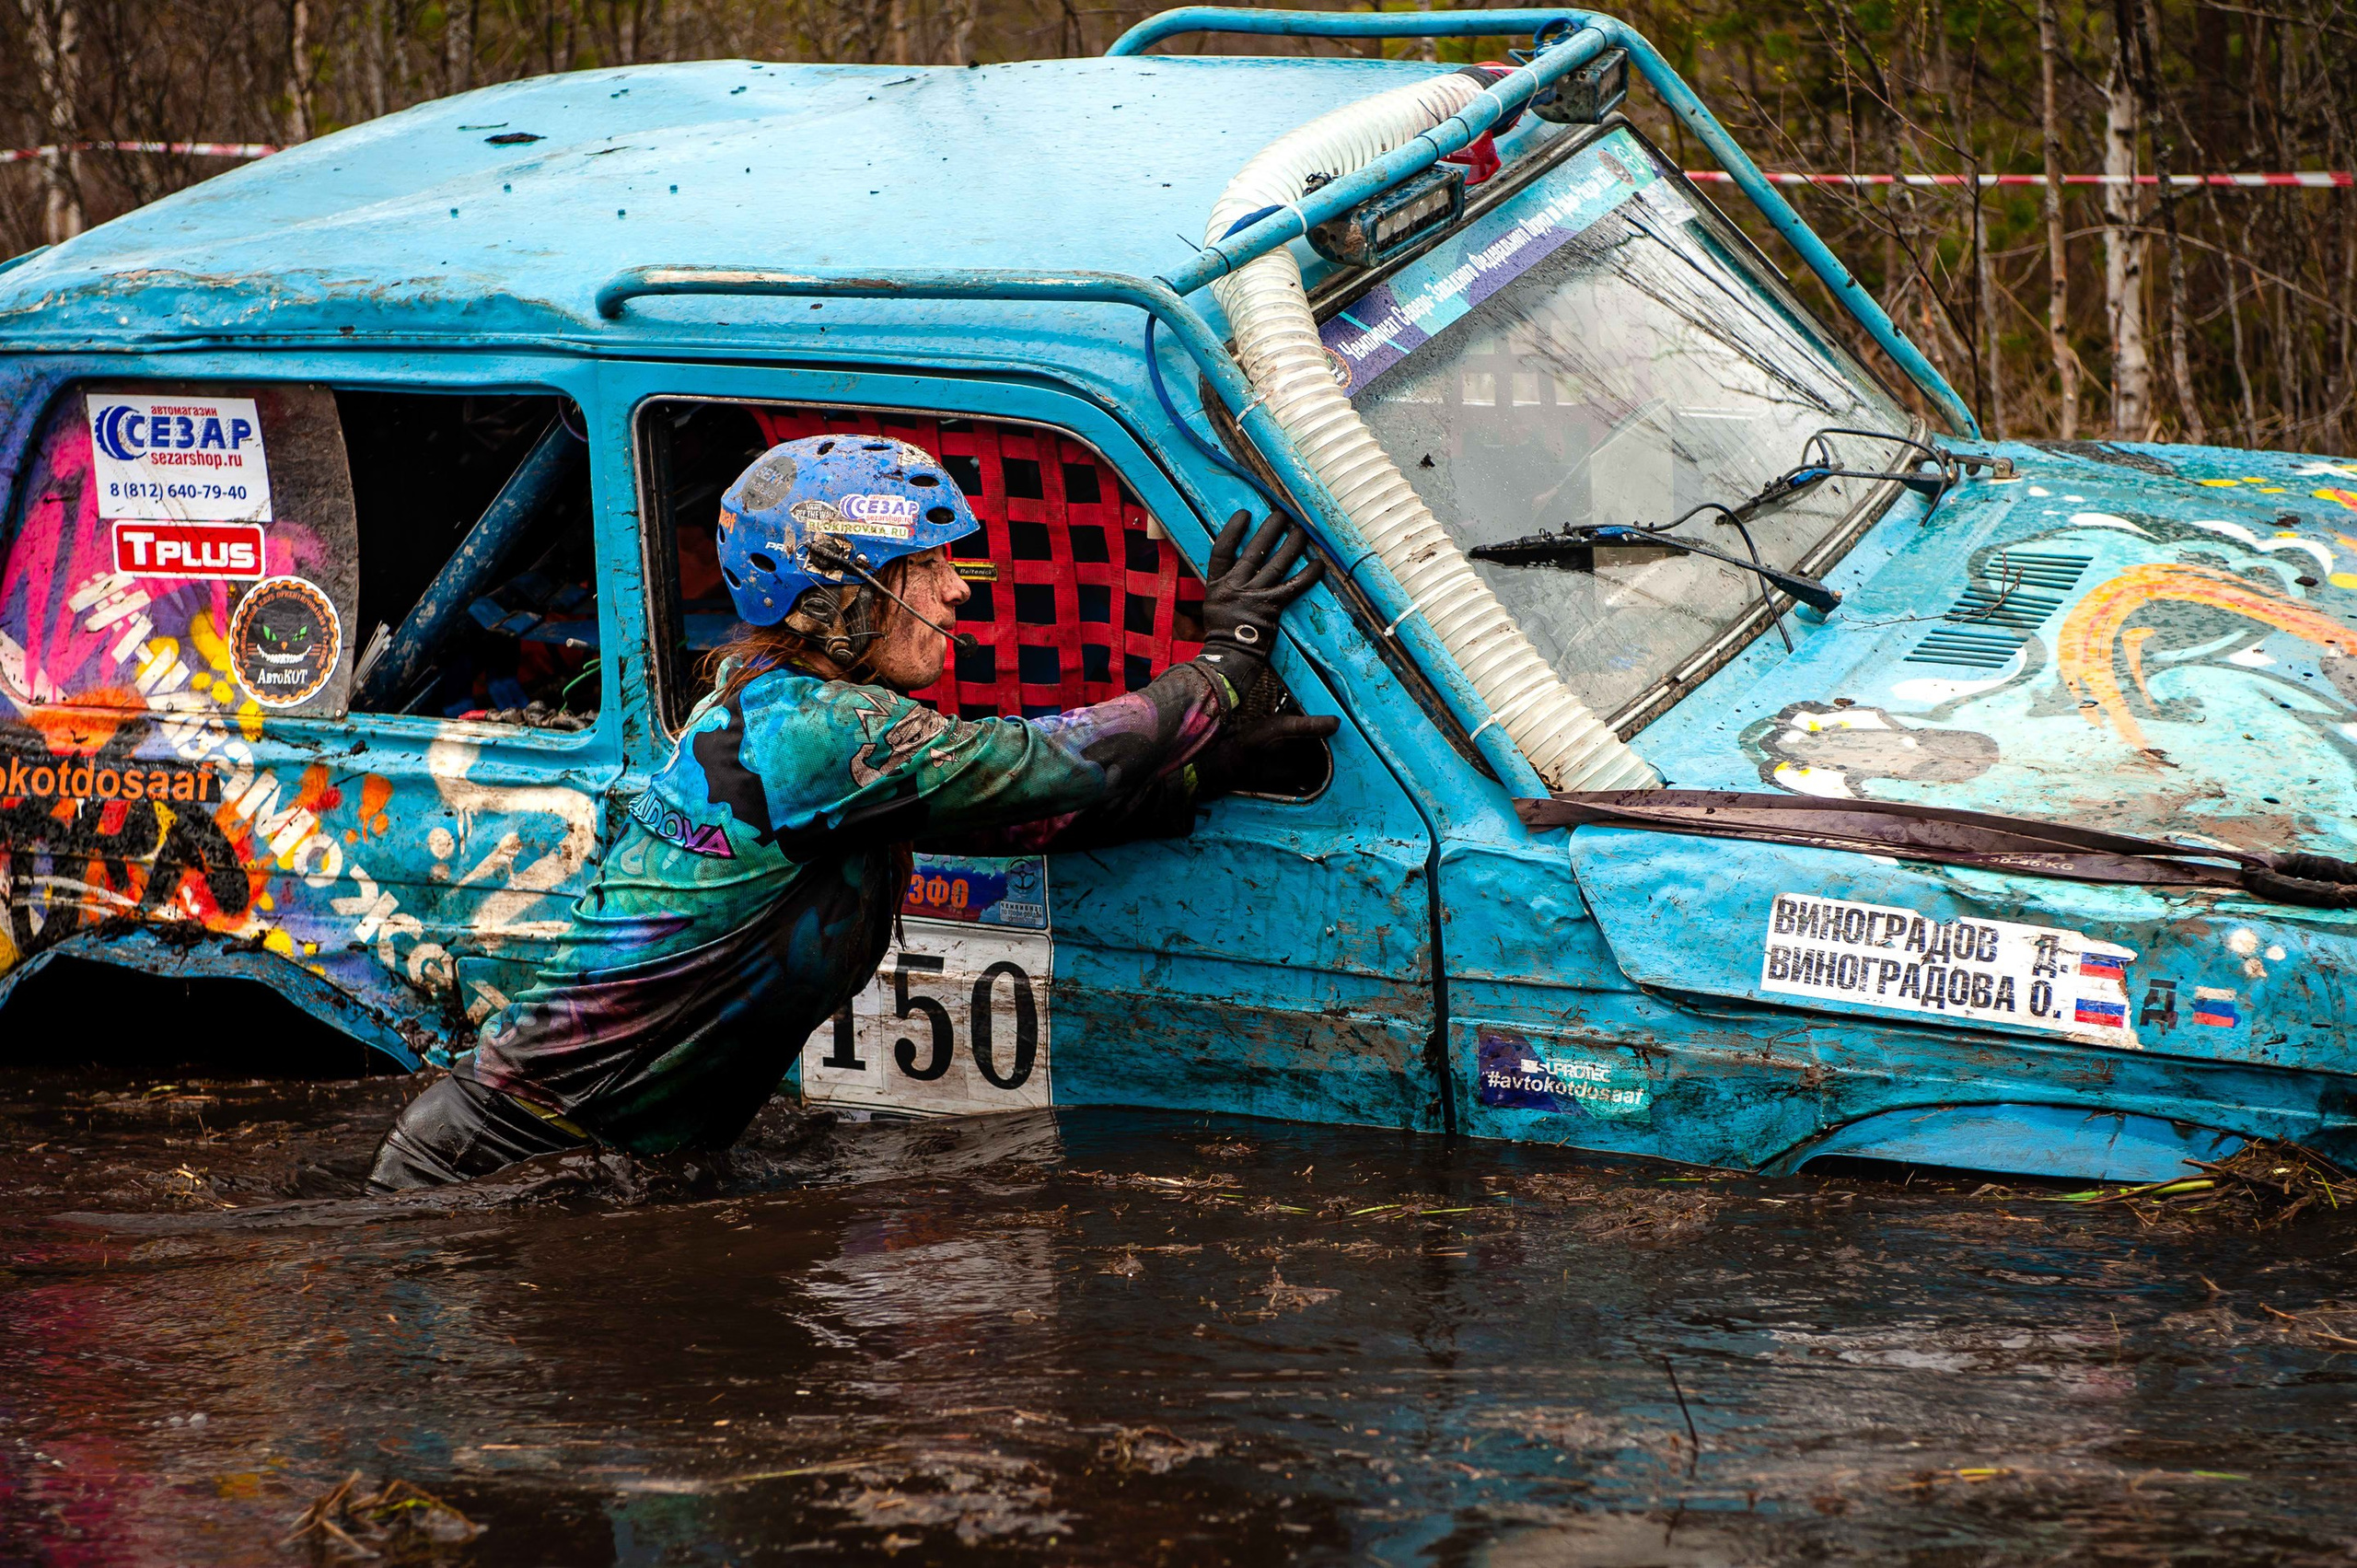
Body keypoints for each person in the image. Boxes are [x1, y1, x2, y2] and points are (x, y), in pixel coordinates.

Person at [368, 433, 1331, 1189]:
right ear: (833, 592)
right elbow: (1054, 759)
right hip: (497, 1164)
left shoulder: (793, 717)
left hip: (601, 1154)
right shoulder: (810, 734)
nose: (959, 594)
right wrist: (1228, 658)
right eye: (925, 569)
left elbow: (1007, 816)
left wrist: (1206, 773)